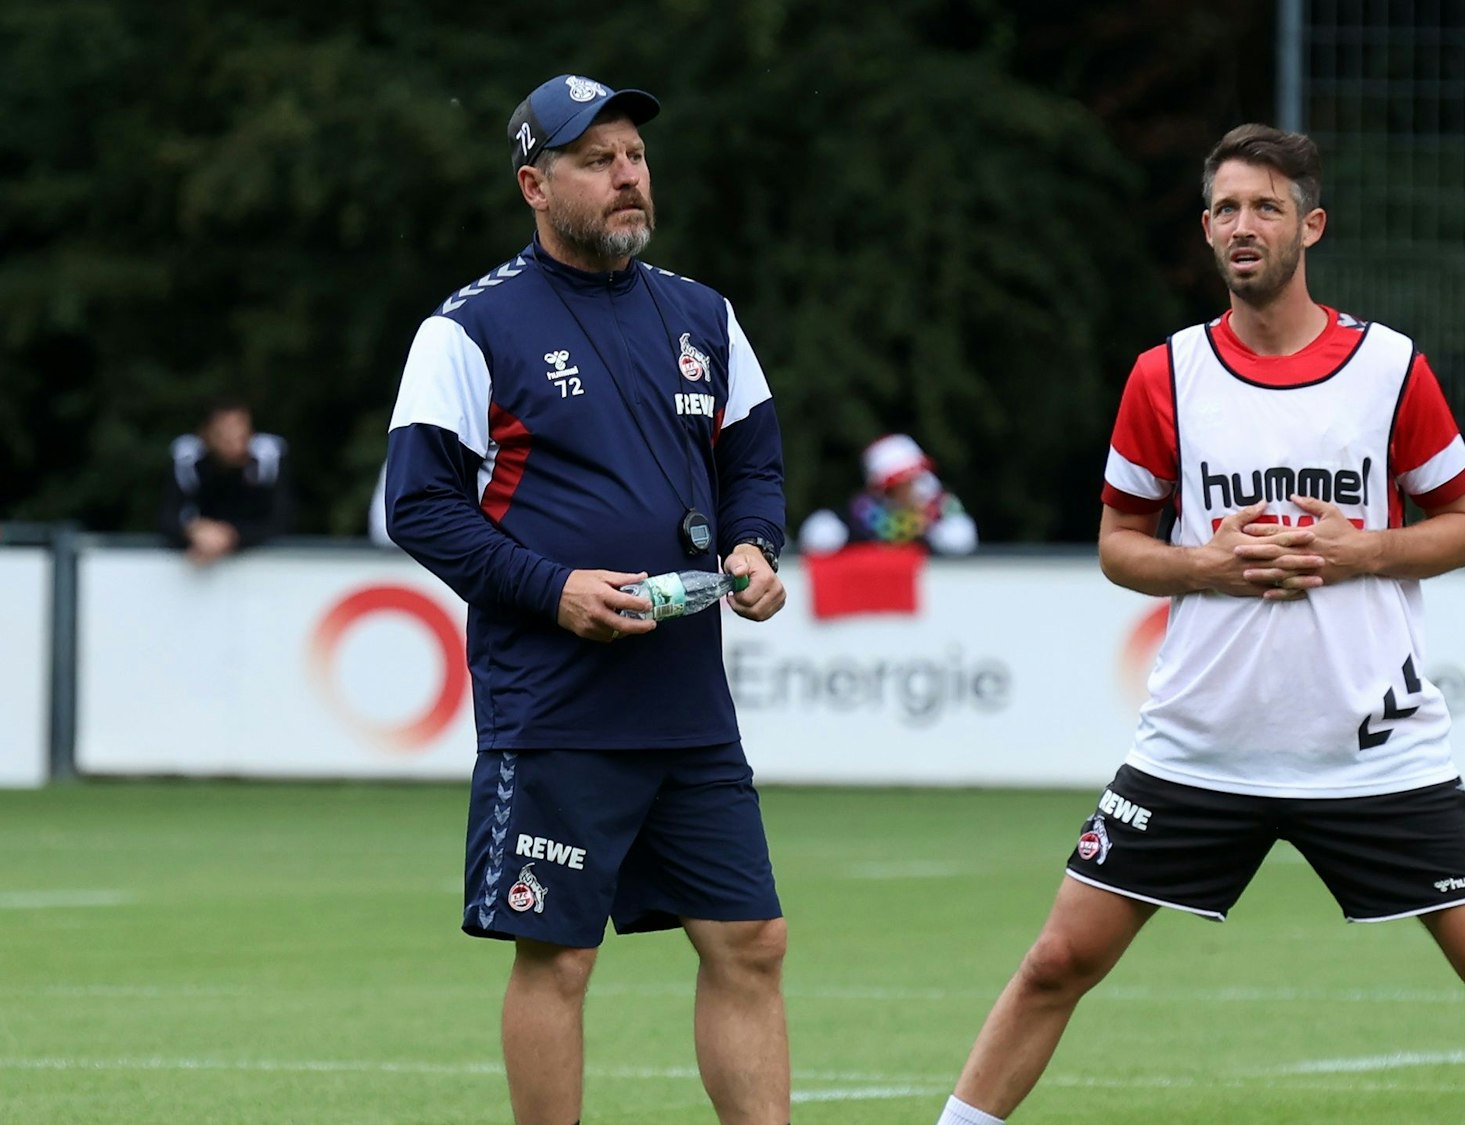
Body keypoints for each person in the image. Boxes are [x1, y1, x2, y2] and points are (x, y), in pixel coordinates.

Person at [934, 125, 1465, 1125]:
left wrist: (1363, 551)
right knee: (1056, 961)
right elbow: (1120, 545)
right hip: (1200, 746)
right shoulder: (1163, 375)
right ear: (1205, 230)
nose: (1240, 225)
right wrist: (1205, 564)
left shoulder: (1388, 370)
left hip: (1370, 748)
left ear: (1310, 225)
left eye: (1263, 206)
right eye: (1222, 208)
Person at [384, 74, 792, 1125]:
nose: (626, 176)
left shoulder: (701, 313)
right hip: (554, 702)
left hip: (683, 699)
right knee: (558, 957)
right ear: (535, 183)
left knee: (749, 942)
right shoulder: (469, 328)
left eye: (635, 157)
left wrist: (753, 546)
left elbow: (752, 461)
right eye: (595, 159)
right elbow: (421, 508)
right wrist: (550, 588)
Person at [795, 432, 977, 555]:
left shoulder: (941, 511)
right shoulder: (857, 519)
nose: (912, 488)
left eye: (914, 478)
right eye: (901, 482)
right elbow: (818, 538)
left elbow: (961, 541)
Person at [159, 399, 291, 565]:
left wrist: (231, 537)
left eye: (242, 435)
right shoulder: (188, 460)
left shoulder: (267, 460)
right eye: (225, 436)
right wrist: (193, 531)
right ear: (206, 435)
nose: (235, 445)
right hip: (200, 553)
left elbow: (282, 519)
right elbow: (167, 515)